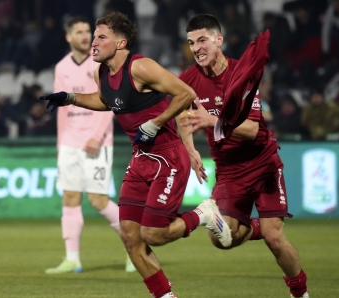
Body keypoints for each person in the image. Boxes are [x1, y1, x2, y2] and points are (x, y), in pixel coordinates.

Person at [39, 12, 231, 298]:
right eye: (94, 36)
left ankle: (204, 214)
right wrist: (70, 98)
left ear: (120, 43)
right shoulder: (100, 72)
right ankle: (165, 296)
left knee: (153, 234)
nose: (94, 42)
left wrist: (155, 123)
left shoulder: (140, 67)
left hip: (168, 157)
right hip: (140, 159)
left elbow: (186, 93)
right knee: (129, 236)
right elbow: (106, 101)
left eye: (101, 37)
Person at [177, 14, 309, 298]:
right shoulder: (187, 80)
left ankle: (301, 294)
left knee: (275, 239)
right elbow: (179, 113)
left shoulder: (242, 72)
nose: (196, 48)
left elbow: (250, 130)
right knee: (221, 239)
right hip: (229, 172)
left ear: (219, 40)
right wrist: (191, 150)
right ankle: (259, 226)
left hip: (262, 164)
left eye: (202, 40)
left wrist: (211, 122)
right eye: (191, 43)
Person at [44, 15, 135, 274]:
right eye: (80, 32)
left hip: (97, 142)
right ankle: (72, 259)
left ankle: (135, 249)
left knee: (97, 200)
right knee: (70, 198)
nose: (86, 36)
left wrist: (97, 136)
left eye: (89, 32)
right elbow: (61, 108)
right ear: (69, 37)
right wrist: (61, 144)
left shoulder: (101, 65)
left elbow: (109, 102)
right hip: (70, 143)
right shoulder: (61, 67)